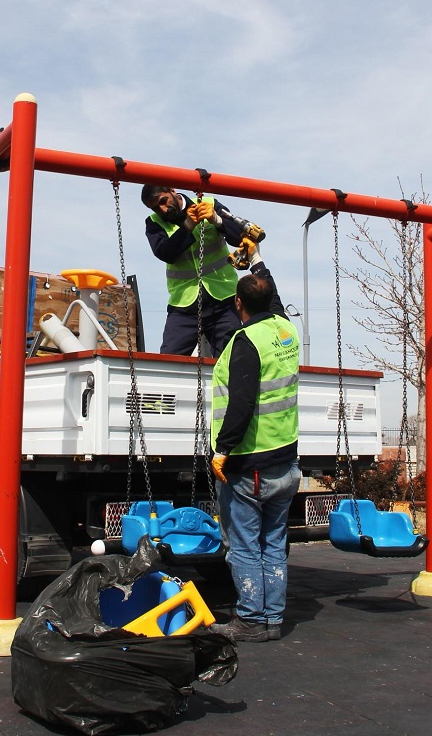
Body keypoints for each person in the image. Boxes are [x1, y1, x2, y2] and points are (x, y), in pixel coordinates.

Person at [207, 240, 300, 643]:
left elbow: (241, 404)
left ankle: (250, 619)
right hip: (285, 462)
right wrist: (257, 257)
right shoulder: (284, 329)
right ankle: (273, 618)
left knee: (244, 545)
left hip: (250, 464)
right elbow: (272, 294)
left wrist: (222, 450)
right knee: (274, 543)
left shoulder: (245, 343)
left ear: (239, 306)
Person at [140, 185, 263, 357]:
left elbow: (239, 235)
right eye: (155, 208)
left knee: (233, 359)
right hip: (184, 305)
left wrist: (217, 220)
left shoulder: (209, 203)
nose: (162, 209)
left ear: (172, 191)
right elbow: (165, 253)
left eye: (163, 201)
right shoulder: (154, 223)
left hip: (223, 300)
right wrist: (188, 226)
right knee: (167, 362)